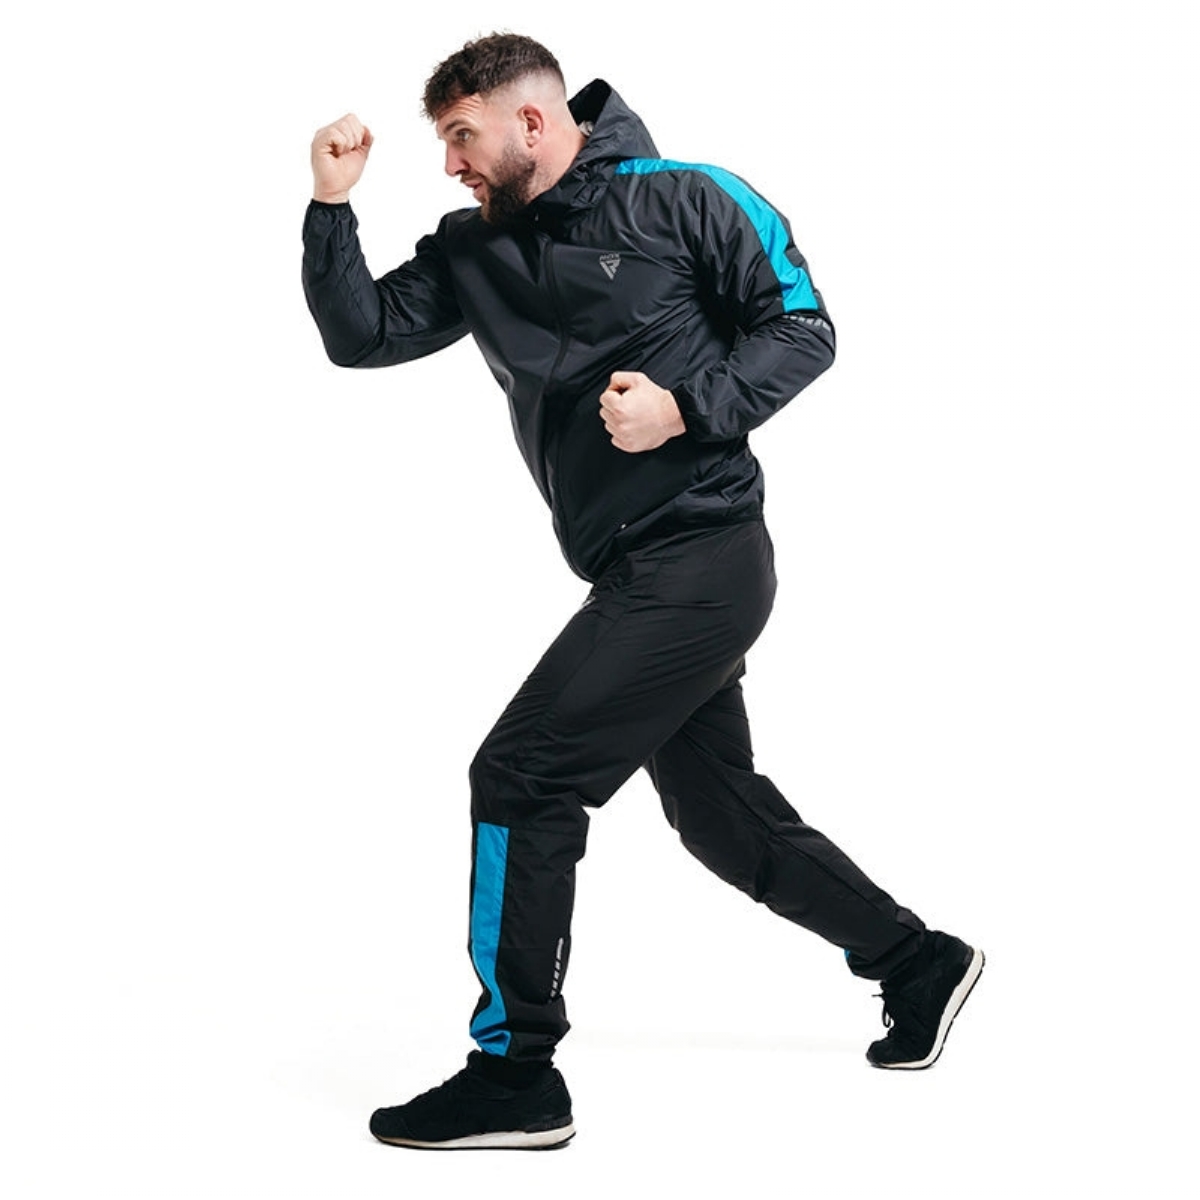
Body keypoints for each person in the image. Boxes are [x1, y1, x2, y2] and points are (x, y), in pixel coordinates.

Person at [302, 33, 984, 1151]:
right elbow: (360, 335)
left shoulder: (686, 200)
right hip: (631, 569)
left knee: (521, 775)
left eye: (462, 136)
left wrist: (685, 407)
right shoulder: (474, 249)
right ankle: (918, 961)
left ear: (531, 122)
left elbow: (803, 328)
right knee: (719, 818)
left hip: (705, 555)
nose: (450, 164)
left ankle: (516, 1072)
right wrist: (331, 208)